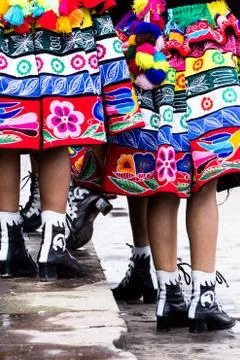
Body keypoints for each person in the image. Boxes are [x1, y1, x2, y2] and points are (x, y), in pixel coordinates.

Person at [101, 0, 240, 332]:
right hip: (203, 40)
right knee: (204, 179)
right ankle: (203, 299)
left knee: (162, 180)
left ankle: (169, 296)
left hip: (149, 41)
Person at [0, 0, 144, 281]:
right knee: (60, 121)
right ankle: (52, 246)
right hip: (60, 15)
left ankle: (7, 243)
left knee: (7, 121)